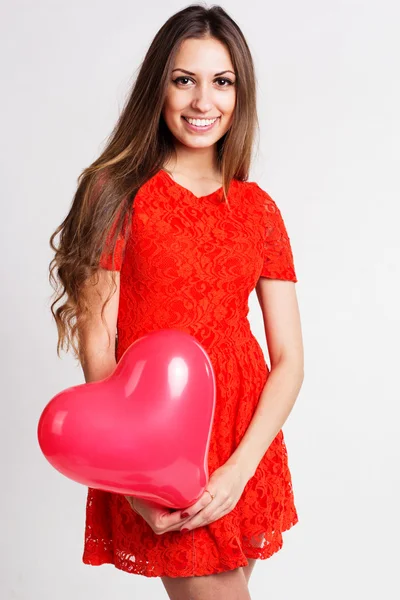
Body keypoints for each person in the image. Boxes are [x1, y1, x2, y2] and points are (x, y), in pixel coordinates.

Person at [49, 4, 304, 599]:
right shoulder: (114, 192)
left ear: (240, 95)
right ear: (158, 86)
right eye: (184, 79)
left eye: (222, 82)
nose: (202, 101)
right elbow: (97, 343)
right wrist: (137, 476)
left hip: (245, 446)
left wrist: (240, 471)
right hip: (162, 451)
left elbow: (289, 359)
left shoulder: (258, 209)